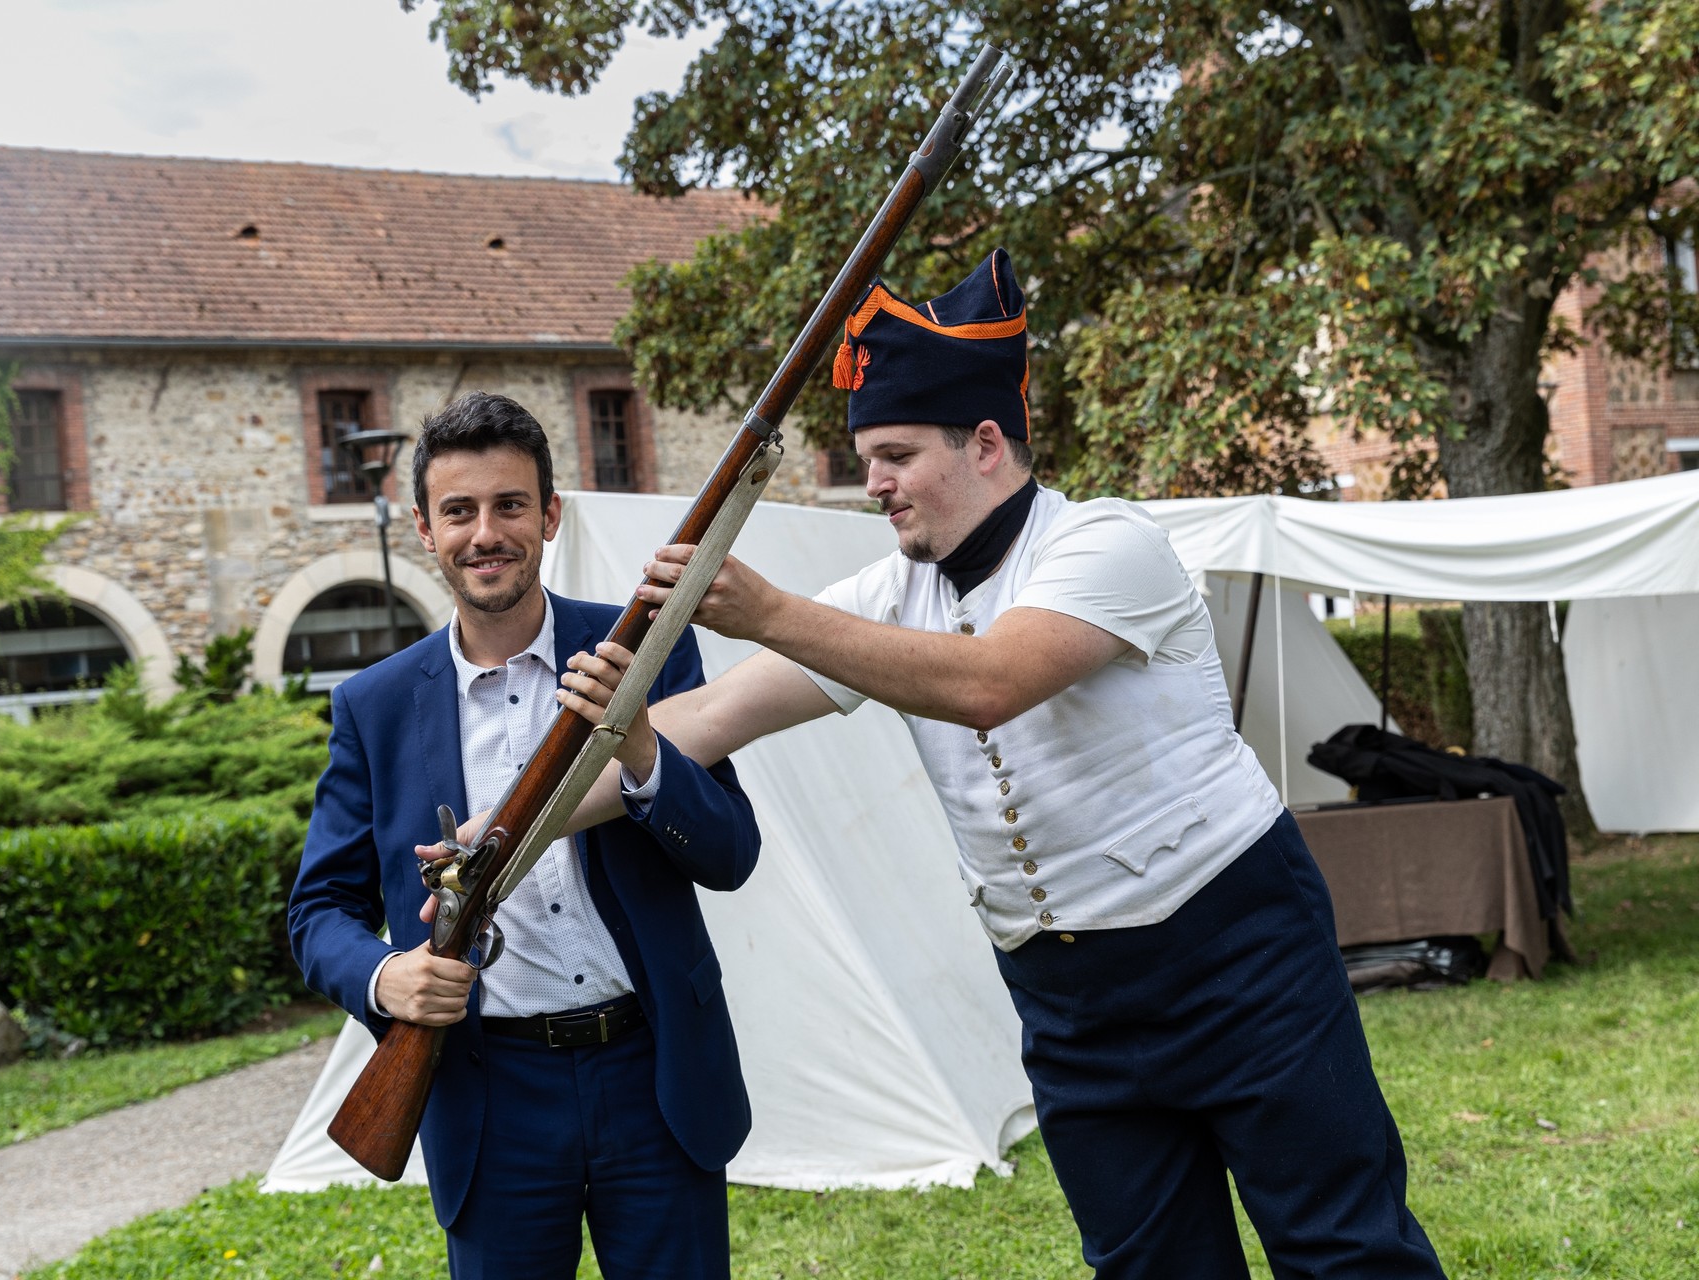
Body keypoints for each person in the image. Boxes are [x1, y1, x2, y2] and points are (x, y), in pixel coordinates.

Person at [560, 251, 1446, 1278]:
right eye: (867, 457)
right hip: (1065, 997)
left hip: (1234, 950)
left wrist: (772, 611)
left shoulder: (1110, 542)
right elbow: (707, 715)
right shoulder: (892, 593)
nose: (873, 483)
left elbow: (991, 679)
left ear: (986, 443)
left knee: (1345, 1249)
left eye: (894, 454)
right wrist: (506, 832)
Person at [288, 391, 760, 1280]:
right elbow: (317, 911)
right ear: (426, 530)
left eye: (509, 505)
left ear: (548, 516)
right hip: (487, 1089)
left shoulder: (642, 649)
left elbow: (732, 853)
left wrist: (643, 747)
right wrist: (387, 978)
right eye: (458, 511)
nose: (485, 532)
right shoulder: (374, 707)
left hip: (652, 1072)